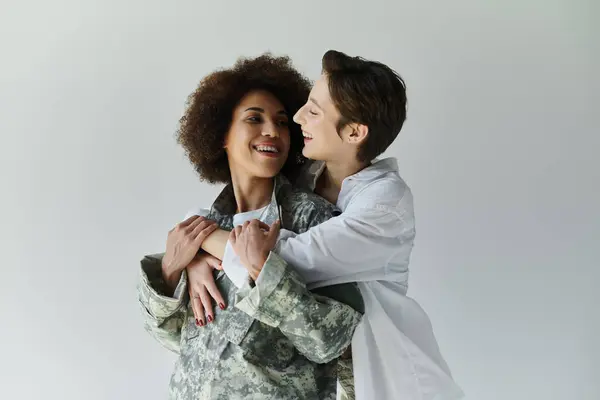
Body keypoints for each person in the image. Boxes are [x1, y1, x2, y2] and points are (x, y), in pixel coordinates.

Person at [195, 50, 464, 400]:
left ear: (353, 132)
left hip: (392, 383)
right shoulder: (306, 177)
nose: (297, 117)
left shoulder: (386, 204)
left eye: (314, 111)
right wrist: (195, 261)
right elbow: (237, 222)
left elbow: (278, 258)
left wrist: (200, 241)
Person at [137, 54, 364, 400]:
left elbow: (336, 344)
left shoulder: (313, 220)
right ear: (221, 136)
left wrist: (263, 272)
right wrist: (172, 269)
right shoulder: (201, 229)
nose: (272, 130)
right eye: (254, 118)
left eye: (283, 122)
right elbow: (177, 340)